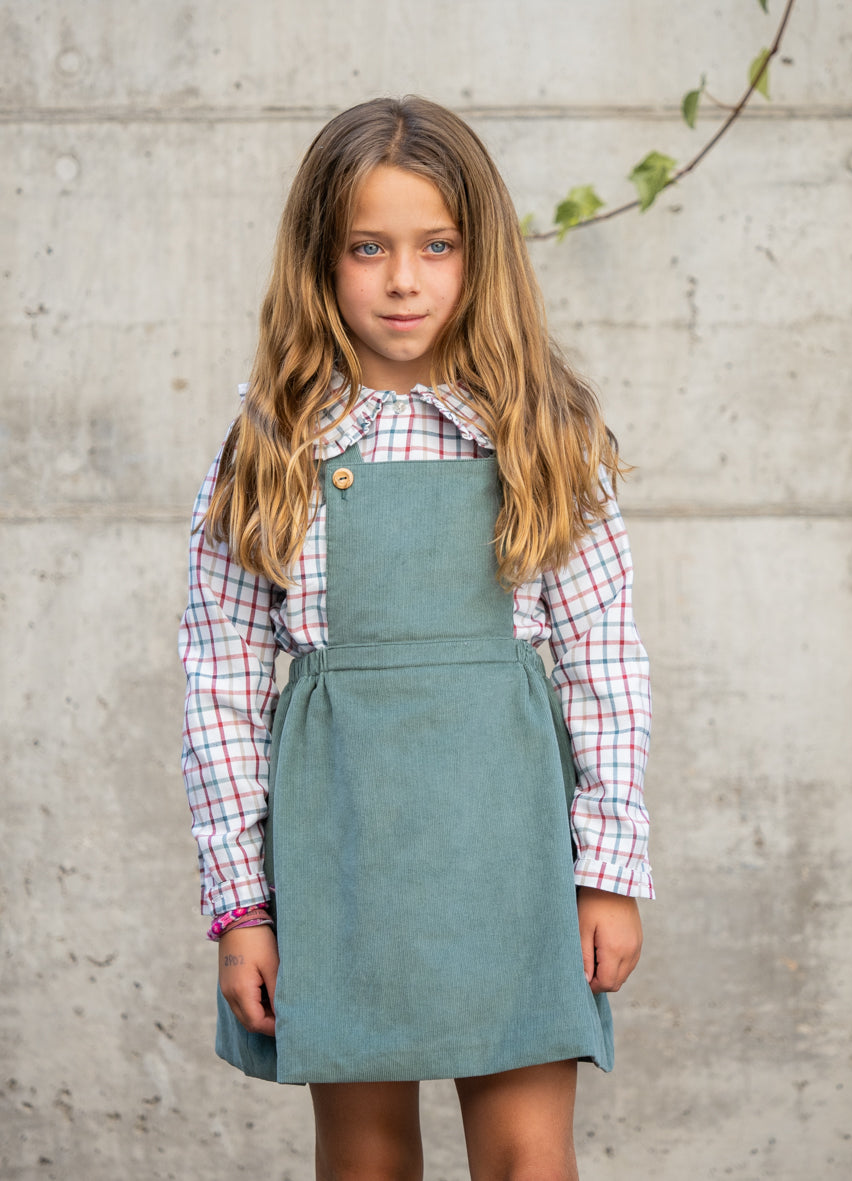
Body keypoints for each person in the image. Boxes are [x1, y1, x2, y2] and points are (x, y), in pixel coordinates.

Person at [180, 95, 653, 1180]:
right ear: (319, 259)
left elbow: (603, 661)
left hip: (513, 852)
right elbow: (219, 682)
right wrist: (240, 906)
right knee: (365, 1156)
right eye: (369, 248)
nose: (405, 279)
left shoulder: (543, 430)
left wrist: (609, 871)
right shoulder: (270, 446)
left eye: (436, 245)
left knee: (530, 1154)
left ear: (477, 255)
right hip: (340, 847)